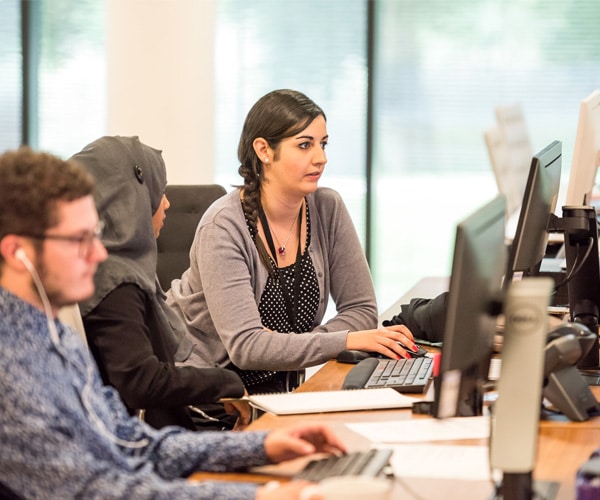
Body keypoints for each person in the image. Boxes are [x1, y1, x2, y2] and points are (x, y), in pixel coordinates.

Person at [0, 146, 347, 499]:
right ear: (16, 253)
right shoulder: (10, 366)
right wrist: (255, 496)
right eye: (78, 239)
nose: (99, 252)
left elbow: (130, 441)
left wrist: (262, 446)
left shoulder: (53, 336)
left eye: (95, 233)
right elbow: (93, 490)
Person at [167, 89, 417, 394]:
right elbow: (247, 347)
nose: (321, 158)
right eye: (304, 145)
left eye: (323, 144)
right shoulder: (224, 227)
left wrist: (291, 345)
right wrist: (345, 339)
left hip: (280, 392)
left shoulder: (327, 208)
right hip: (211, 398)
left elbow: (361, 309)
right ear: (264, 150)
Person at [70, 135, 248, 431]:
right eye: (159, 191)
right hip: (148, 444)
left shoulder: (113, 269)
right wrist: (225, 383)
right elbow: (141, 381)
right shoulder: (115, 281)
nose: (166, 203)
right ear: (130, 199)